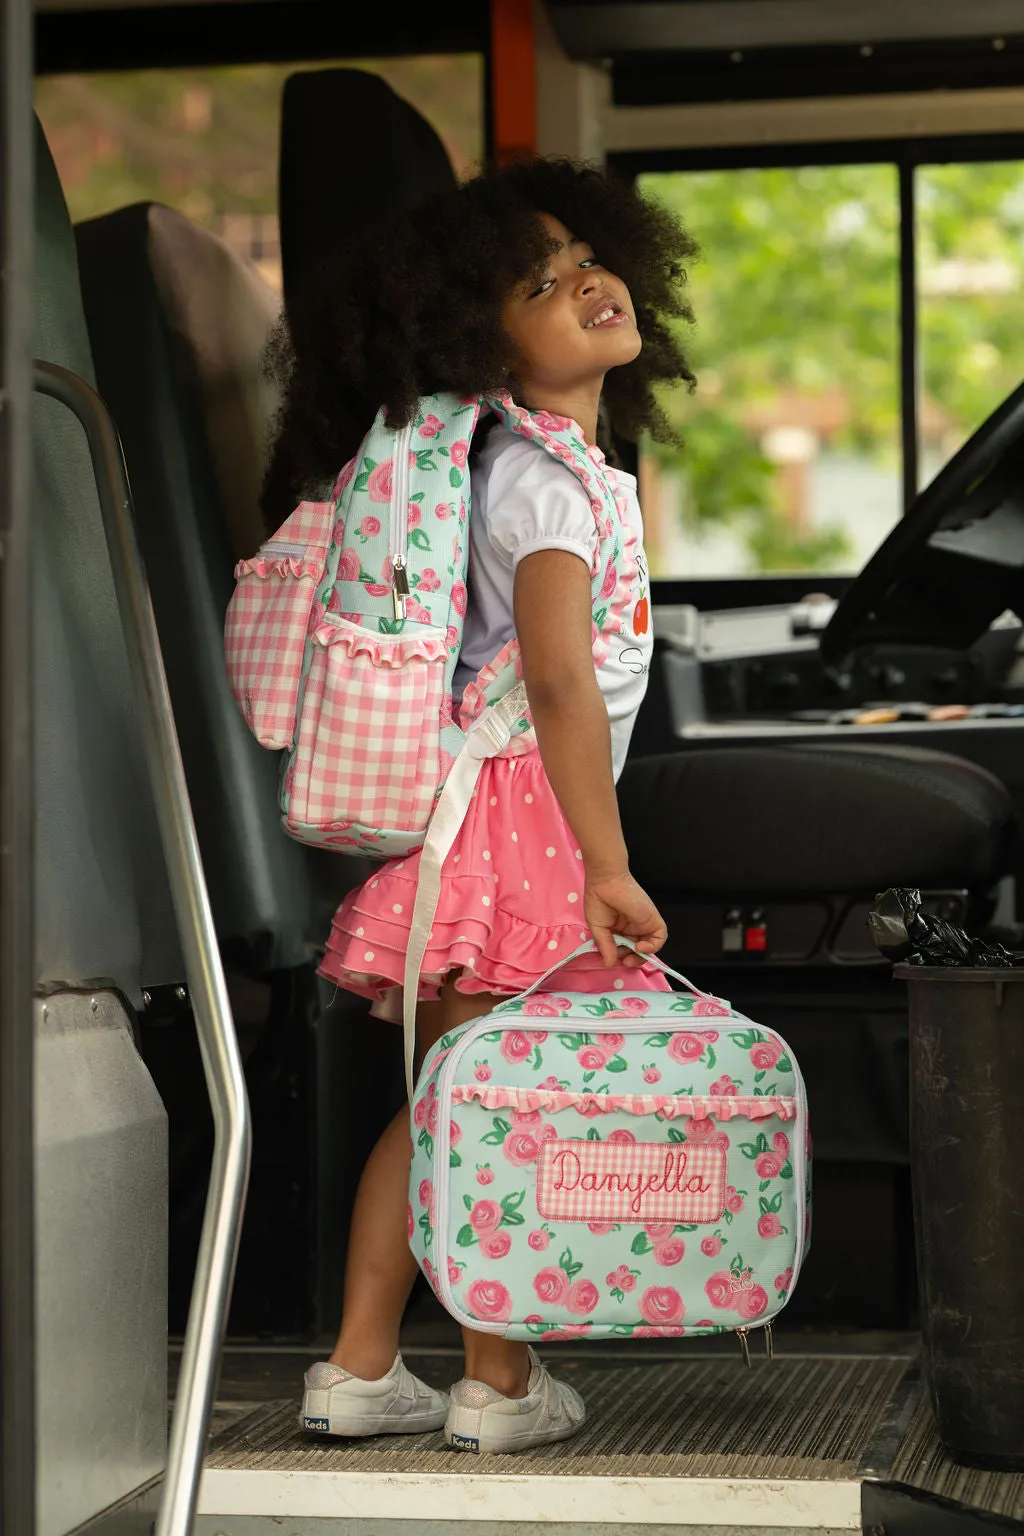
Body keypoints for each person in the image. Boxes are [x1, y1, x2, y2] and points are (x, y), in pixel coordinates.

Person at [262, 158, 697, 1452]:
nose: (587, 284)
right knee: (496, 1100)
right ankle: (497, 1384)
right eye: (540, 284)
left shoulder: (545, 463)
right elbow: (560, 683)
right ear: (476, 343)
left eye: (587, 261)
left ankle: (362, 1367)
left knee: (457, 1095)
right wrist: (608, 867)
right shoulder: (545, 483)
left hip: (483, 829)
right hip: (521, 831)